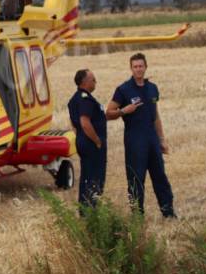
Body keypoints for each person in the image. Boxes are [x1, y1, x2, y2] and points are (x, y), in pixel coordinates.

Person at [106, 53, 177, 218]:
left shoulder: (152, 88)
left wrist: (161, 139)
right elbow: (108, 113)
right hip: (134, 140)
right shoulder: (123, 89)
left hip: (152, 138)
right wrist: (124, 110)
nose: (138, 69)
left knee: (160, 176)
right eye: (135, 66)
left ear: (146, 67)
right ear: (131, 68)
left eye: (141, 66)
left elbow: (156, 115)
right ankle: (137, 216)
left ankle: (168, 212)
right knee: (136, 178)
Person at [67, 69, 113, 210]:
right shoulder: (85, 99)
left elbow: (73, 123)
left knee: (87, 175)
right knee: (95, 177)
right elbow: (84, 122)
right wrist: (97, 141)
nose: (95, 82)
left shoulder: (75, 98)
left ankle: (85, 209)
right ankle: (92, 209)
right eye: (93, 80)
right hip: (91, 144)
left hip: (83, 141)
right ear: (85, 82)